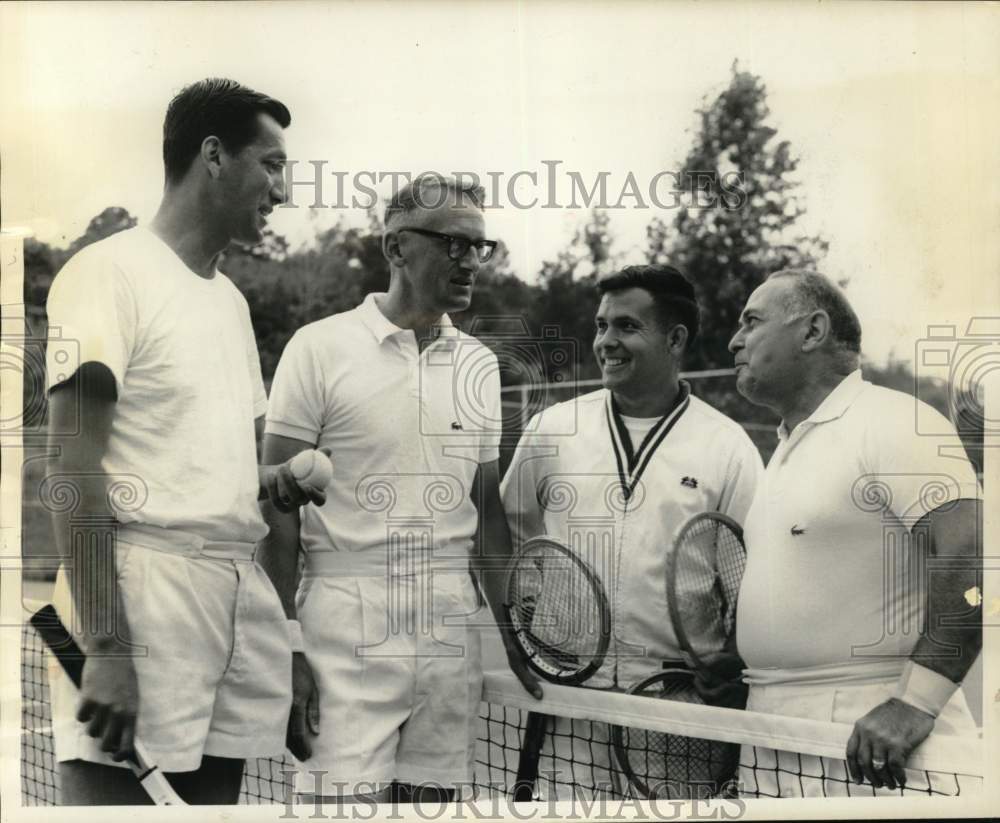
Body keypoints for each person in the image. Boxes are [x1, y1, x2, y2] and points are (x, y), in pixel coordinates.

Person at [44, 78, 325, 805]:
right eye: (270, 164)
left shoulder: (229, 300)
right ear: (213, 156)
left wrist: (277, 483)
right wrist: (106, 644)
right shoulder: (107, 272)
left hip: (235, 595)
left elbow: (229, 480)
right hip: (143, 596)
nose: (282, 188)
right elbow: (71, 460)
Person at [257, 174, 540, 806]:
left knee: (433, 810)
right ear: (396, 249)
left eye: (480, 247)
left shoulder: (478, 365)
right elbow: (275, 516)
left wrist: (512, 632)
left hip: (450, 627)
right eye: (453, 244)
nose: (470, 261)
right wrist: (288, 647)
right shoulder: (318, 348)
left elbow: (487, 512)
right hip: (344, 622)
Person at [500, 264, 763, 795]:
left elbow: (752, 581)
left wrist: (731, 662)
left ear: (676, 338)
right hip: (566, 698)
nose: (606, 342)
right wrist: (529, 619)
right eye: (601, 326)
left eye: (626, 326)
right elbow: (512, 532)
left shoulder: (728, 445)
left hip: (678, 708)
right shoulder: (554, 428)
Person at [728, 269, 982, 797]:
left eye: (751, 322)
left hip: (878, 740)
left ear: (812, 331)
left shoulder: (893, 420)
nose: (735, 340)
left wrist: (916, 702)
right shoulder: (784, 450)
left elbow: (973, 558)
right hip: (769, 734)